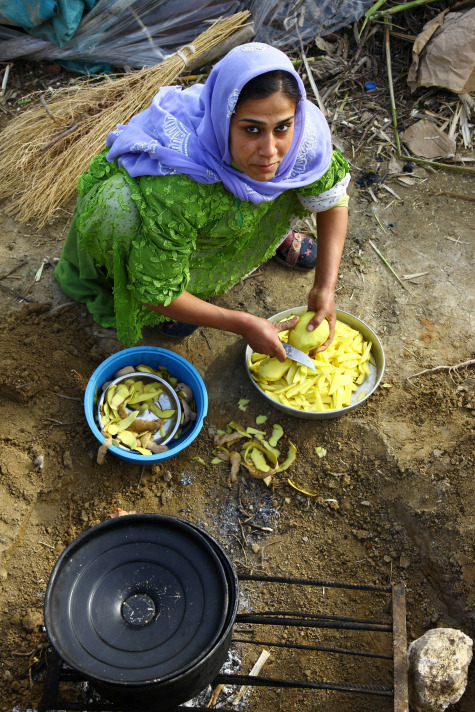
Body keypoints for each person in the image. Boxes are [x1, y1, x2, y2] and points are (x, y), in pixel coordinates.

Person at [54, 42, 350, 361]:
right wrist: (241, 323)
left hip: (227, 215)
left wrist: (325, 286)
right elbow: (157, 290)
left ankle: (270, 235)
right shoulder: (179, 186)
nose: (270, 150)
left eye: (282, 127)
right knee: (120, 212)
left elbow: (332, 195)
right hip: (166, 229)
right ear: (224, 121)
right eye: (252, 129)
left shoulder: (302, 140)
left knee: (281, 175)